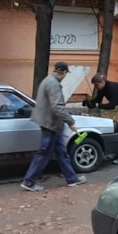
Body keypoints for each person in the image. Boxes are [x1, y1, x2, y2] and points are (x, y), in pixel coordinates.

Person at [21, 61, 86, 191]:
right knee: (44, 152)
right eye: (66, 73)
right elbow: (57, 107)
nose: (66, 76)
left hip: (52, 123)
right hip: (50, 124)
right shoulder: (53, 84)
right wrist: (70, 121)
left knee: (62, 152)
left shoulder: (48, 80)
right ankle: (29, 181)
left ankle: (72, 179)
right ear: (63, 72)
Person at [86, 73, 118, 165]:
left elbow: (112, 106)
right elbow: (97, 100)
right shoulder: (102, 89)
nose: (96, 87)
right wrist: (89, 102)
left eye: (96, 84)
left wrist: (98, 105)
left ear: (102, 82)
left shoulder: (112, 88)